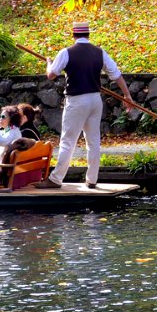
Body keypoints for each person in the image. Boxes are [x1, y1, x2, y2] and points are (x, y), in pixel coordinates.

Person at [36, 21, 135, 189]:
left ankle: (55, 179)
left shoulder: (66, 52)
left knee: (68, 141)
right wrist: (127, 95)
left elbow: (51, 75)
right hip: (95, 100)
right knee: (93, 141)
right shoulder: (99, 52)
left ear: (74, 35)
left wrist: (48, 63)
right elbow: (116, 74)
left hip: (76, 101)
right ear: (88, 34)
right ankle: (92, 179)